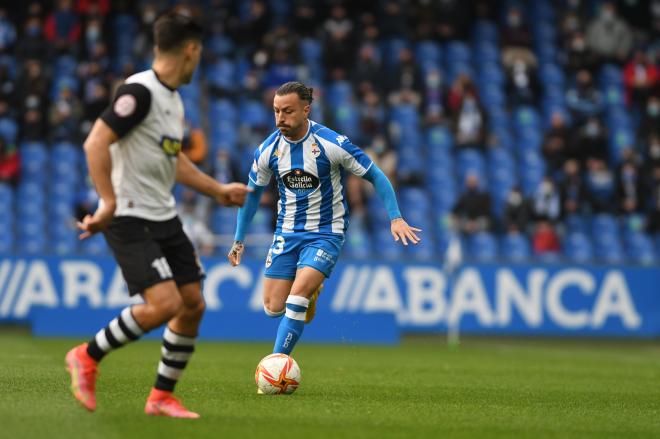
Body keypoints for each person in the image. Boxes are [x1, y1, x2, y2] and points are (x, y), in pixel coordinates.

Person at [64, 11, 250, 419]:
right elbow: (95, 142)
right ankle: (86, 355)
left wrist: (217, 189)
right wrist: (107, 203)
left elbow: (174, 160)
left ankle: (161, 396)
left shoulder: (172, 99)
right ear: (191, 50)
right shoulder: (141, 91)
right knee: (164, 303)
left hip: (163, 215)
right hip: (129, 215)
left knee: (192, 303)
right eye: (198, 53)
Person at [227, 82, 420, 389]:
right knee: (272, 308)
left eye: (288, 111)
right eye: (276, 111)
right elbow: (251, 196)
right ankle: (309, 292)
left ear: (306, 109)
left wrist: (395, 218)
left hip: (325, 233)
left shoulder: (331, 143)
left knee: (297, 297)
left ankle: (277, 368)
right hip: (287, 232)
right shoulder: (267, 150)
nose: (280, 118)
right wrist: (239, 239)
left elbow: (375, 175)